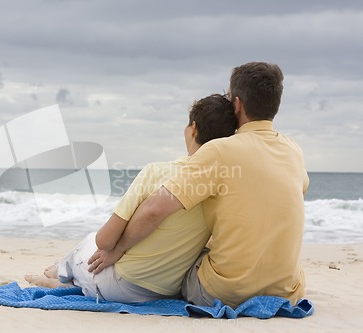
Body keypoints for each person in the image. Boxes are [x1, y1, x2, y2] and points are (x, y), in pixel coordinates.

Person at [88, 62, 309, 308]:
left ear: (237, 104)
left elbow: (154, 209)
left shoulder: (219, 151)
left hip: (224, 292)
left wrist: (118, 249)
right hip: (286, 289)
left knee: (185, 265)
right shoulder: (294, 151)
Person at [25, 94, 237, 303]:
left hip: (123, 285)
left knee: (91, 241)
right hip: (168, 289)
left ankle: (60, 275)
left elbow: (105, 241)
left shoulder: (157, 172)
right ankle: (64, 274)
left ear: (194, 128)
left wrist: (117, 248)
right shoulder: (223, 186)